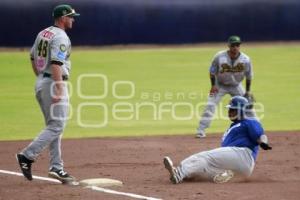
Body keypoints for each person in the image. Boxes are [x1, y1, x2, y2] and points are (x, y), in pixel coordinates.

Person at [16, 4, 80, 184]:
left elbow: (31, 56)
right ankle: (27, 156)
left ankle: (56, 167)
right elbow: (56, 63)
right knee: (57, 126)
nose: (73, 19)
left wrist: (40, 77)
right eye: (71, 16)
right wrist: (58, 87)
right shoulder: (61, 36)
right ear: (62, 18)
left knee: (53, 126)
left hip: (42, 82)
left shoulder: (44, 33)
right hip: (53, 82)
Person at [164, 96, 272, 184]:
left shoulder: (249, 122)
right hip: (240, 168)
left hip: (242, 155)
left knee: (203, 156)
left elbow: (261, 135)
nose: (229, 111)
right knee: (204, 167)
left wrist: (263, 142)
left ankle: (179, 172)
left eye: (233, 109)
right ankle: (224, 175)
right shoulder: (232, 127)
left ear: (241, 111)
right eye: (229, 109)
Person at [196, 35, 256, 138]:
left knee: (248, 106)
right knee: (210, 105)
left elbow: (249, 75)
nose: (235, 47)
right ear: (229, 45)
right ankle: (201, 130)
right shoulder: (220, 56)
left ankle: (256, 128)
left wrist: (248, 91)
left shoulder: (245, 59)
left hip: (236, 85)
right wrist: (213, 85)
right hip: (220, 85)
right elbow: (212, 71)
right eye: (233, 45)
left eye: (237, 45)